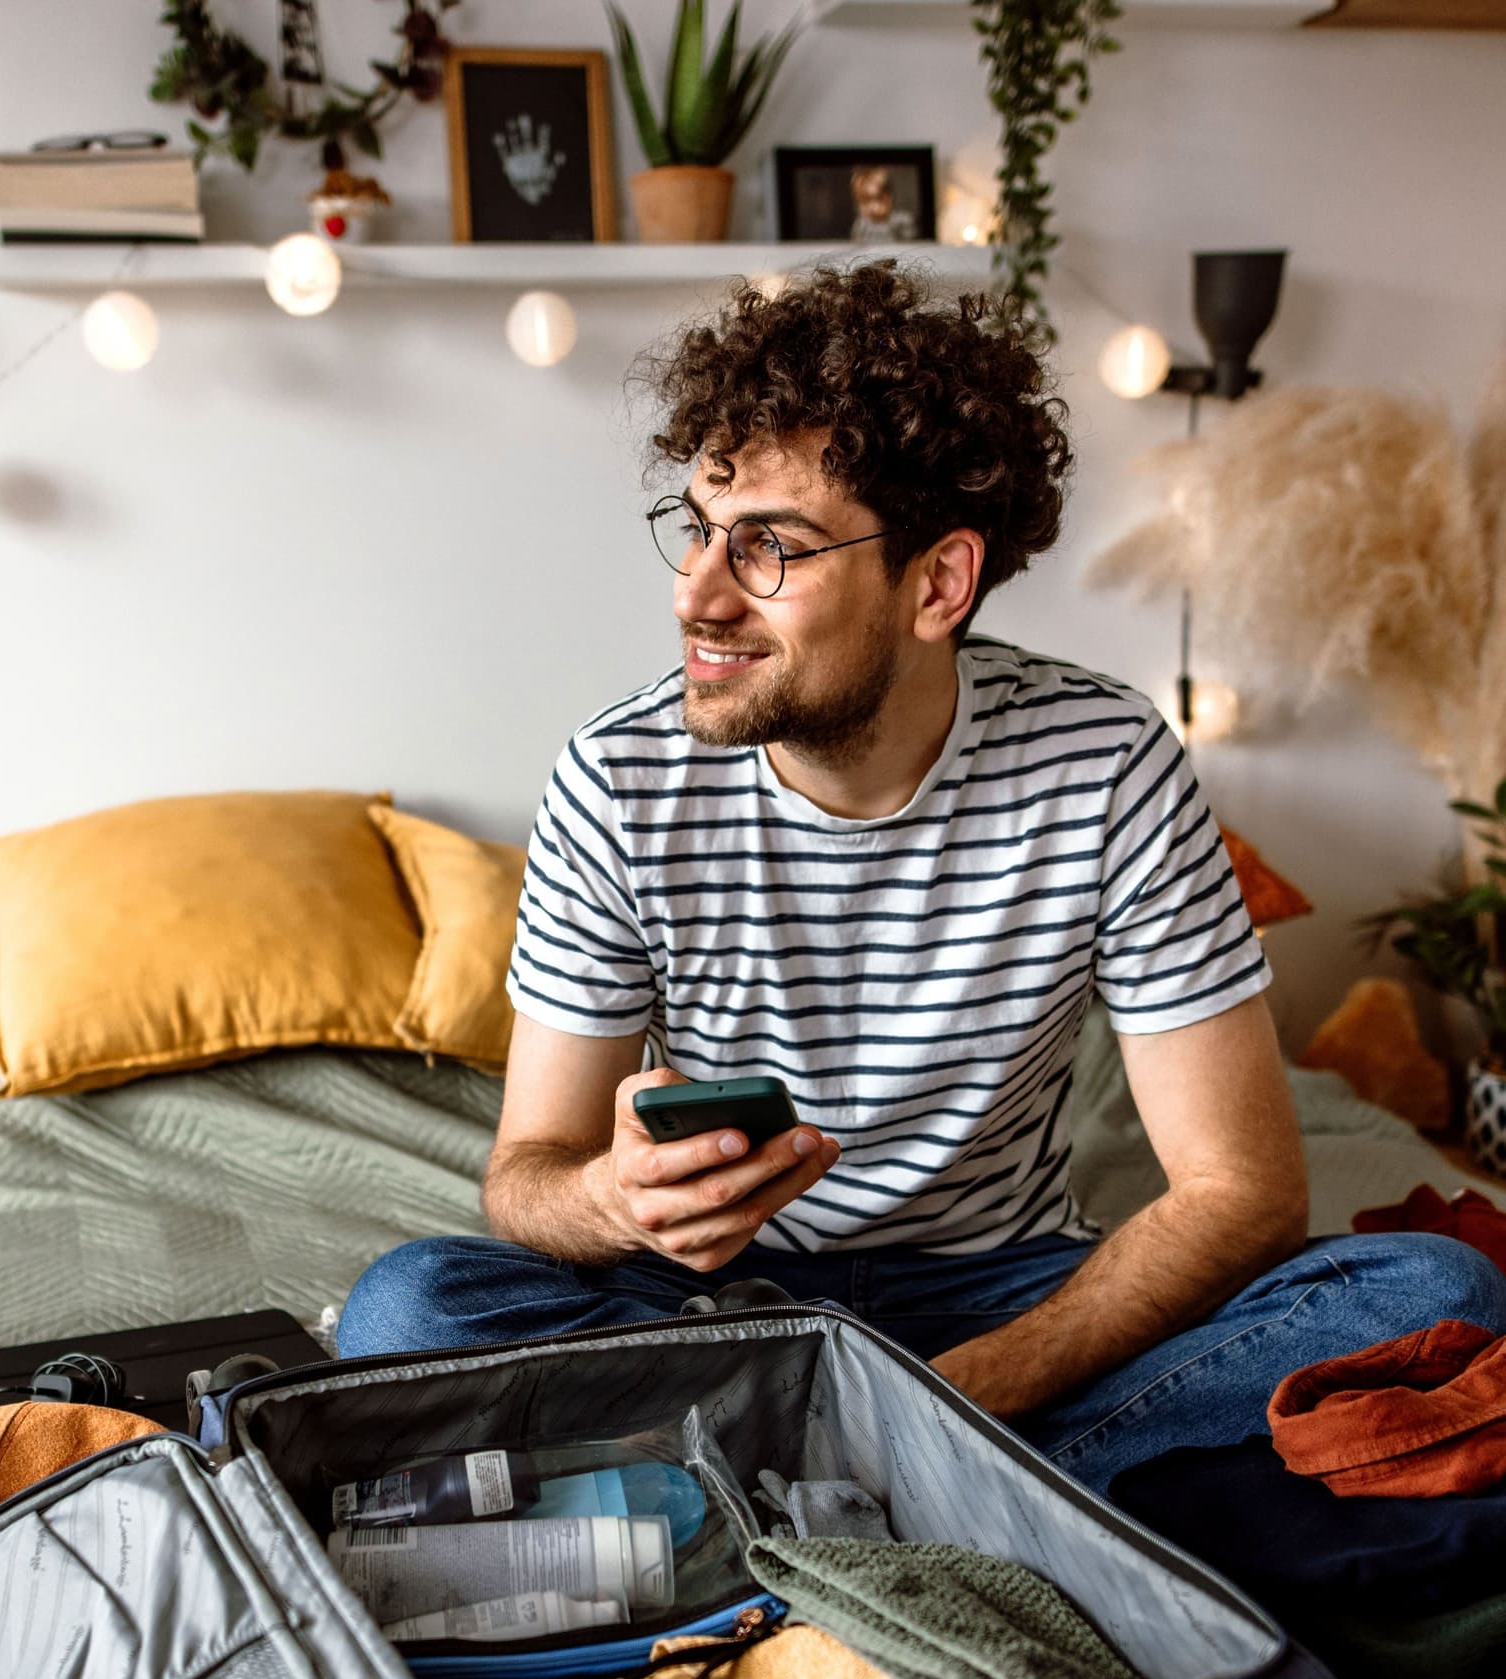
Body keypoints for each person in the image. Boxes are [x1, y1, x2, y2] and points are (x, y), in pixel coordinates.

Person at [336, 262, 1503, 1494]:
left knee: (1437, 1290)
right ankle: (981, 1477)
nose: (697, 593)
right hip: (706, 1300)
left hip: (1001, 1296)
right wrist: (619, 1202)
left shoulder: (1106, 765)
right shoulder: (618, 777)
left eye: (769, 547)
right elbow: (528, 1175)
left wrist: (959, 1391)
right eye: (696, 528)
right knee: (407, 1313)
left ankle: (780, 1467)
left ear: (939, 583)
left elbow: (1241, 1194)